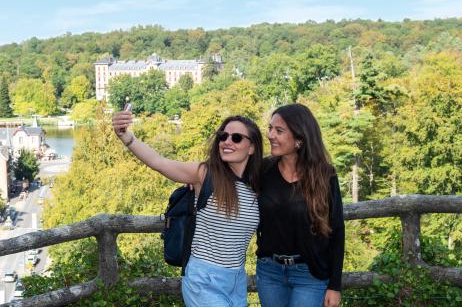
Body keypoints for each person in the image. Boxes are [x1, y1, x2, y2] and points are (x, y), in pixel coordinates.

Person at [112, 111, 263, 307]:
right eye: (222, 136)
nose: (227, 142)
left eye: (236, 138)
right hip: (204, 279)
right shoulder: (205, 174)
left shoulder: (259, 184)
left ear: (251, 147)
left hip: (237, 281)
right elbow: (159, 162)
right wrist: (126, 137)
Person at [256, 104, 345, 307]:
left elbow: (337, 230)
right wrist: (198, 181)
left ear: (299, 139)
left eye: (279, 131)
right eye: (270, 128)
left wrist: (335, 285)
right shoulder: (262, 171)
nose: (270, 135)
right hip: (269, 272)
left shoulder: (325, 175)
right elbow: (229, 176)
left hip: (310, 274)